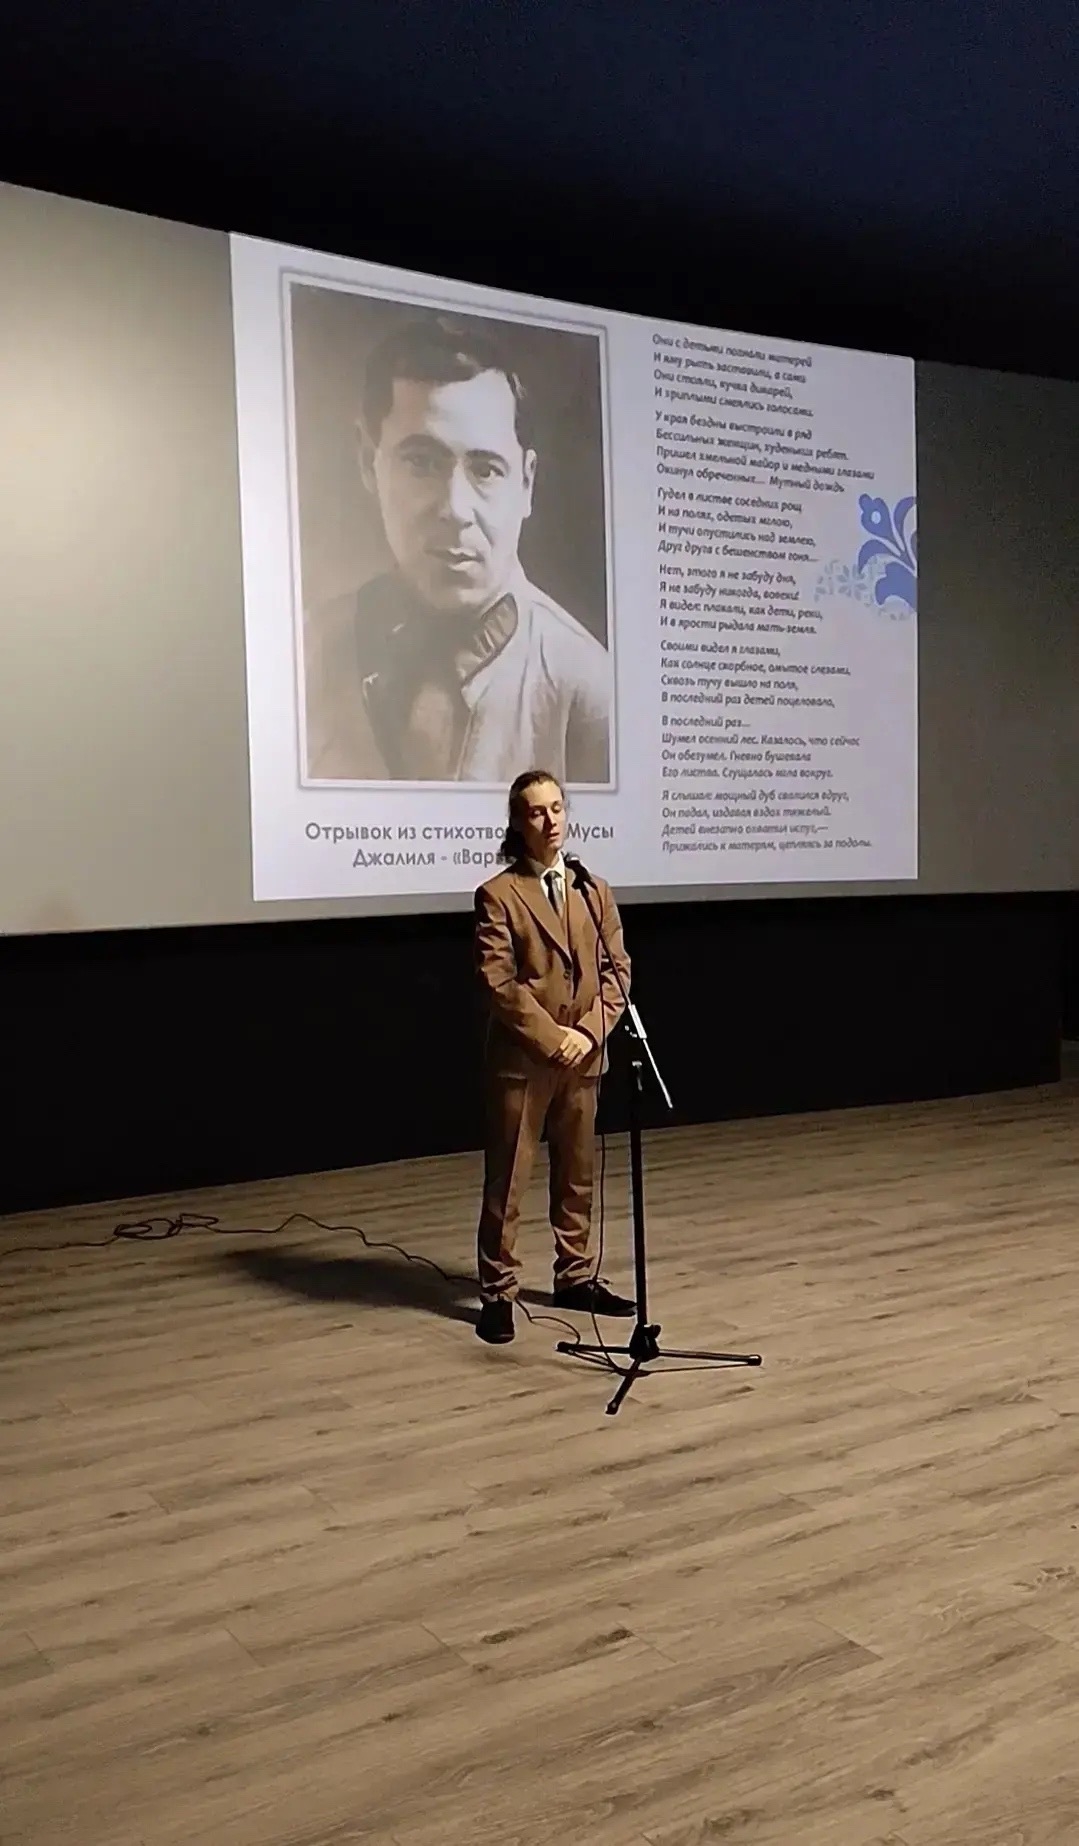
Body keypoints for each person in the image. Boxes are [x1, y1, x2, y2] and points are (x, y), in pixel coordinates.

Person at [304, 313, 612, 785]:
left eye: (485, 470)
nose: (454, 508)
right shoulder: (304, 654)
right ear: (368, 462)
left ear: (526, 483)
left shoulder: (589, 691)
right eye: (421, 463)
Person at [473, 769, 634, 1344]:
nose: (551, 821)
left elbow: (618, 973)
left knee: (577, 1174)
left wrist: (588, 1034)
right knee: (509, 1180)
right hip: (525, 1060)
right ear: (518, 823)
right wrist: (553, 1038)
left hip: (584, 1056)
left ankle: (575, 1276)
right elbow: (498, 982)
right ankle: (498, 1293)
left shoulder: (594, 889)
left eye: (558, 808)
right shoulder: (499, 894)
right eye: (538, 812)